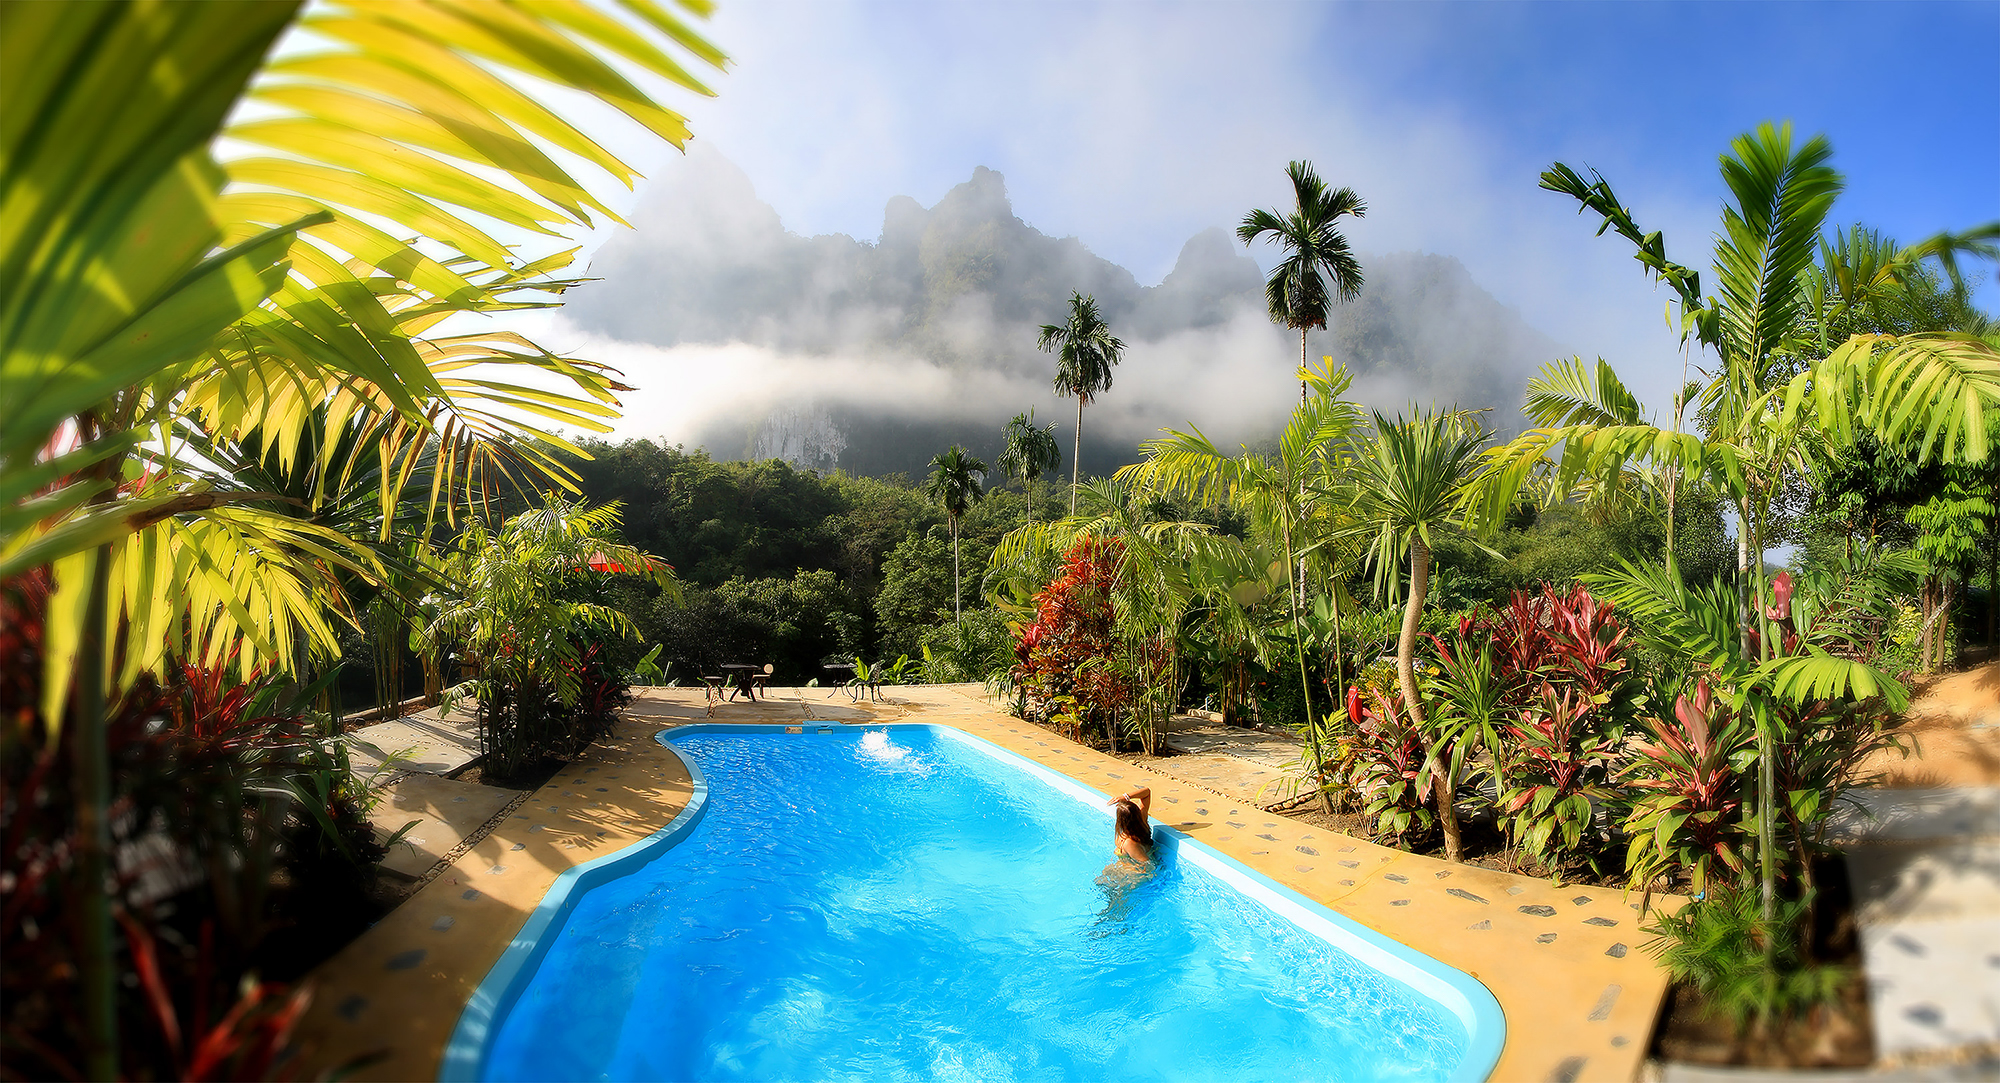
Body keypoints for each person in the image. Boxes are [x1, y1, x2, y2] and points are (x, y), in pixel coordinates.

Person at [1107, 786, 1153, 864]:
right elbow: (1147, 792)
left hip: (1130, 873)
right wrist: (1125, 797)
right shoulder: (1142, 820)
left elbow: (1147, 865)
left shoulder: (1130, 843)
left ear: (1120, 821)